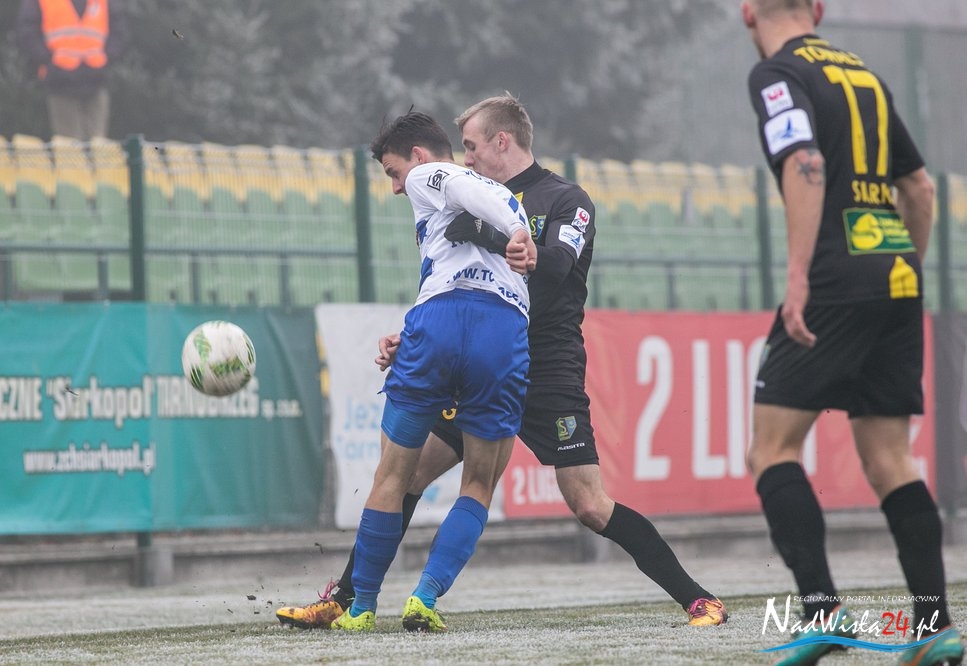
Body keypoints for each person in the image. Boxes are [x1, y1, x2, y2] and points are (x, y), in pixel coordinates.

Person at [277, 94, 728, 631]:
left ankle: (700, 599)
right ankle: (347, 598)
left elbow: (559, 264)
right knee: (410, 474)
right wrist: (410, 335)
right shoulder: (465, 192)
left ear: (502, 140)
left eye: (471, 146)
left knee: (589, 504)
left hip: (546, 366)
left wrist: (515, 244)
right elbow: (456, 281)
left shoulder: (566, 198)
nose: (464, 158)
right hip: (482, 361)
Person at [740, 1, 962, 665]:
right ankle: (934, 628)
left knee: (770, 450)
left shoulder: (778, 74)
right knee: (890, 459)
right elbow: (919, 189)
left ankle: (823, 614)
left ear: (748, 12)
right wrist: (901, 271)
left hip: (833, 276)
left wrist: (799, 277)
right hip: (895, 270)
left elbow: (804, 161)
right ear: (817, 8)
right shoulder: (865, 75)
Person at [326, 110, 536, 633]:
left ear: (417, 157)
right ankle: (424, 598)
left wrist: (516, 230)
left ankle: (361, 607)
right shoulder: (489, 199)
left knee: (391, 476)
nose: (397, 186)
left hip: (441, 325)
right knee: (479, 483)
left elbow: (474, 192)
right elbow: (465, 267)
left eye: (393, 172)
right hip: (500, 329)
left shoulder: (432, 175)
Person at [16, 0, 127, 140]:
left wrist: (106, 59)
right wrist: (49, 61)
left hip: (95, 78)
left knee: (98, 143)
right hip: (61, 80)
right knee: (70, 144)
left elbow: (119, 33)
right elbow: (27, 34)